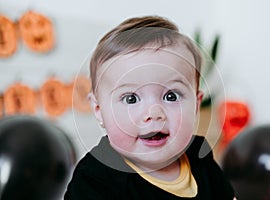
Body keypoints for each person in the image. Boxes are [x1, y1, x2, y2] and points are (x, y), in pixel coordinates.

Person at [64, 15, 235, 199]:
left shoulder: (199, 156)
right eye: (131, 99)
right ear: (99, 110)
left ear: (196, 105)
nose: (154, 113)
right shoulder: (96, 178)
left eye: (171, 96)